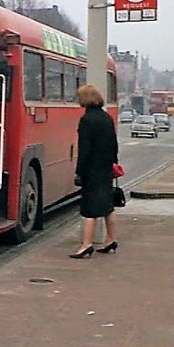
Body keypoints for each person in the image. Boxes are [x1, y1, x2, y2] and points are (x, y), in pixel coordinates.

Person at [70, 84, 119, 259]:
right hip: (106, 167)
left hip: (92, 169)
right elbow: (114, 144)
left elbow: (85, 149)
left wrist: (79, 172)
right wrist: (113, 163)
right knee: (108, 206)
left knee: (89, 209)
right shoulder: (107, 118)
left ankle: (86, 244)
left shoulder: (87, 120)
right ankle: (110, 239)